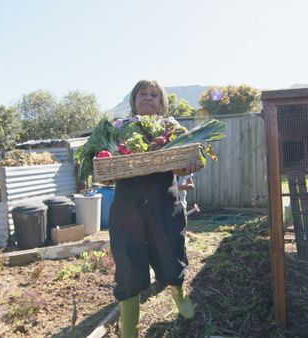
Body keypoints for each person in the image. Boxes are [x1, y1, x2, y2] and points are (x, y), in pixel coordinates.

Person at [109, 80, 202, 337]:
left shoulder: (172, 128)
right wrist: (103, 172)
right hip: (128, 206)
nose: (148, 98)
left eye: (154, 95)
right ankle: (130, 330)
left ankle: (179, 295)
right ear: (133, 99)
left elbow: (182, 168)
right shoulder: (119, 128)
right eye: (143, 94)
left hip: (164, 201)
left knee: (171, 252)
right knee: (128, 262)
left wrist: (189, 165)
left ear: (161, 103)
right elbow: (105, 172)